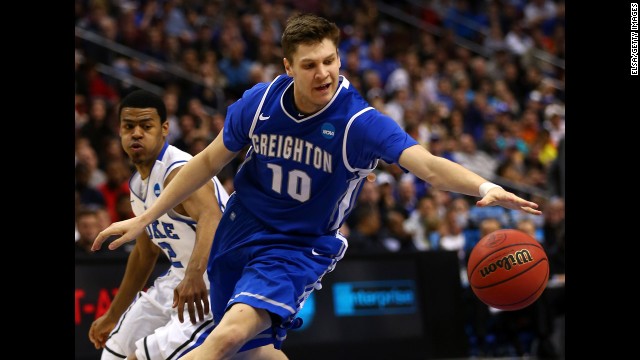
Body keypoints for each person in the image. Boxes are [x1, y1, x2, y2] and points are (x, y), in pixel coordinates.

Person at [93, 14, 541, 360]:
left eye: (330, 61)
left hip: (295, 247)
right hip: (239, 232)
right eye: (310, 65)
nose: (323, 73)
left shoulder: (357, 123)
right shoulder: (261, 101)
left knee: (227, 336)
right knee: (251, 350)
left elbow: (427, 165)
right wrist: (145, 219)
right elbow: (209, 161)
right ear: (288, 67)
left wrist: (483, 184)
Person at [88, 89, 235, 360]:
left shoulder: (178, 169)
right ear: (118, 131)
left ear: (164, 129)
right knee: (114, 352)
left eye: (146, 126)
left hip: (216, 280)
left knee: (143, 357)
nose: (136, 133)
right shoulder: (137, 186)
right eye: (128, 126)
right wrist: (113, 313)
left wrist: (194, 275)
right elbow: (145, 254)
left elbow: (211, 218)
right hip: (179, 280)